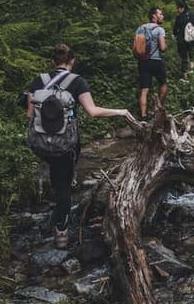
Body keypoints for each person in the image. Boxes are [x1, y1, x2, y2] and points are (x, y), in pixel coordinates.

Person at [27, 44, 136, 249]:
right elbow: (93, 111)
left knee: (56, 175)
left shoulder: (38, 81)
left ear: (53, 62)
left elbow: (30, 115)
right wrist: (120, 111)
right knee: (64, 184)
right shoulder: (77, 82)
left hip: (40, 143)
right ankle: (61, 232)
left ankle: (56, 209)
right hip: (66, 144)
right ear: (72, 61)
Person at [136, 7, 168, 120]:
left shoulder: (140, 28)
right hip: (155, 60)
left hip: (143, 61)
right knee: (163, 84)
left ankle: (143, 116)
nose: (162, 16)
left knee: (144, 89)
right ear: (154, 16)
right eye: (160, 14)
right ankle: (159, 109)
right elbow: (163, 48)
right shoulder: (159, 29)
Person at [173, 0, 194, 76]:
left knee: (184, 58)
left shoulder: (179, 17)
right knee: (192, 56)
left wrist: (176, 35)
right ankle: (192, 73)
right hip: (193, 40)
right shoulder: (193, 15)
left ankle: (185, 75)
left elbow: (175, 30)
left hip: (182, 41)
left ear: (181, 8)